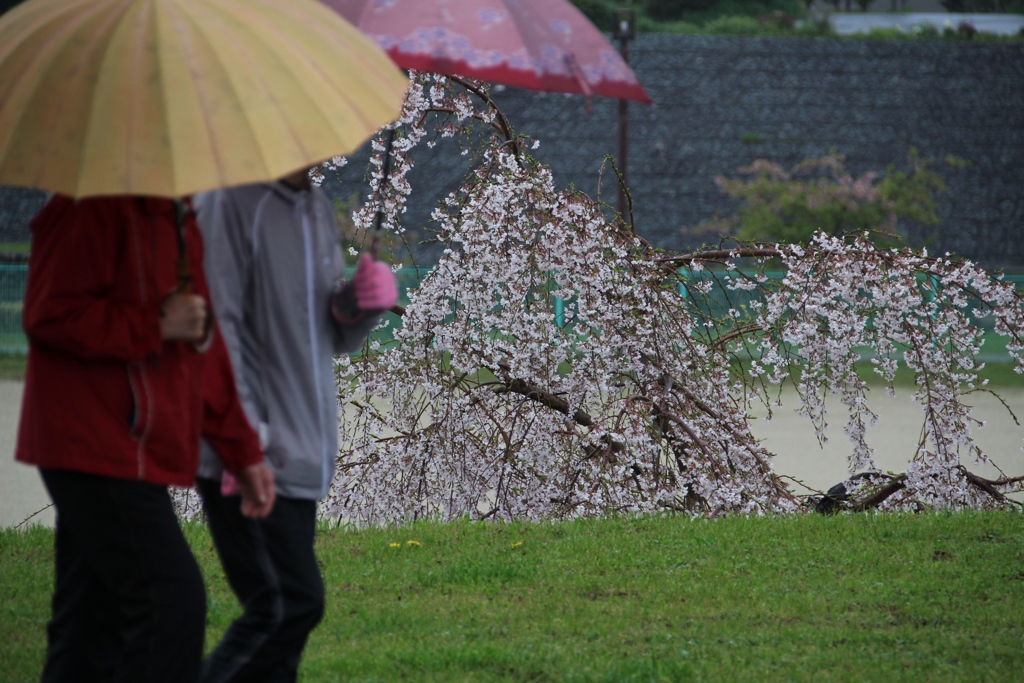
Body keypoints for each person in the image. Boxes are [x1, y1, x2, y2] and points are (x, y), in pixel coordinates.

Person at [15, 194, 276, 683]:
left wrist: (241, 451)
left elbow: (200, 345)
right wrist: (155, 325)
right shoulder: (88, 206)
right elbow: (48, 313)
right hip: (90, 442)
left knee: (91, 622)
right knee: (169, 599)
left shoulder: (177, 216)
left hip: (136, 446)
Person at [194, 168, 397, 682]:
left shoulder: (314, 205)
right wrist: (244, 442)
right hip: (249, 454)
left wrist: (358, 306)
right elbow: (217, 330)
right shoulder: (230, 203)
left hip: (303, 449)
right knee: (289, 605)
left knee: (281, 650)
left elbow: (325, 333)